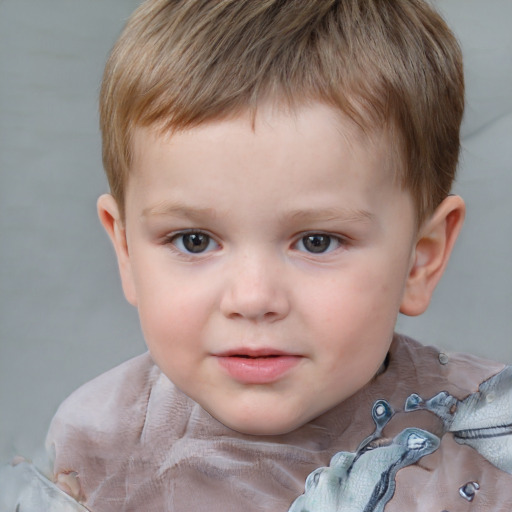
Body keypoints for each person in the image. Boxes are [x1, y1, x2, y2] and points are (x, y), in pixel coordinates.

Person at [4, 0, 512, 510]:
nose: (252, 298)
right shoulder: (97, 448)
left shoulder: (486, 439)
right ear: (127, 251)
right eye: (194, 240)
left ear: (421, 258)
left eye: (317, 241)